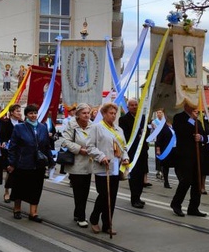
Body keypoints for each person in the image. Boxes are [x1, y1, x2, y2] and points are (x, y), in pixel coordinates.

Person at [86, 103, 130, 235]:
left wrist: (125, 157)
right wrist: (101, 156)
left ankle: (107, 224)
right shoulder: (96, 127)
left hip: (115, 167)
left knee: (112, 197)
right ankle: (94, 219)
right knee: (104, 195)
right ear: (104, 114)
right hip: (102, 167)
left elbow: (124, 147)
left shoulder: (119, 130)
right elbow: (90, 147)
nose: (113, 115)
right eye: (110, 113)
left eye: (115, 113)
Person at [7, 104, 54, 222]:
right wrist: (12, 163)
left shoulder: (43, 127)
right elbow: (13, 147)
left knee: (36, 188)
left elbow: (47, 146)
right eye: (31, 113)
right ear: (26, 115)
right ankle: (17, 209)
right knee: (19, 187)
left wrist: (51, 161)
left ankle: (33, 213)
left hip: (39, 164)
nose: (33, 115)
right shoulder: (19, 128)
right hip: (23, 163)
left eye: (35, 113)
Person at [57, 103, 93, 227]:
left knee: (86, 191)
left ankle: (78, 213)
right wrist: (79, 149)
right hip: (76, 163)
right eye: (84, 113)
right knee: (79, 191)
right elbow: (65, 141)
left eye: (88, 113)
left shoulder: (92, 126)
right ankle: (81, 217)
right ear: (77, 114)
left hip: (89, 164)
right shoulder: (71, 126)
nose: (87, 115)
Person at [170, 101, 206, 217]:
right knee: (186, 181)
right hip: (185, 155)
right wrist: (191, 119)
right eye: (192, 104)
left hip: (197, 155)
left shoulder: (198, 120)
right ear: (186, 105)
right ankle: (176, 204)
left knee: (197, 182)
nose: (194, 106)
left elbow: (205, 134)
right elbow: (181, 131)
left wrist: (200, 138)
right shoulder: (179, 117)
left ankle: (193, 207)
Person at [118, 98, 147, 209]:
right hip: (131, 151)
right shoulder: (123, 119)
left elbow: (147, 131)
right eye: (132, 105)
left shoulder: (142, 118)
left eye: (136, 105)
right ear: (128, 107)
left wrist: (143, 135)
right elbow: (124, 135)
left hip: (142, 151)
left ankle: (138, 196)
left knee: (141, 175)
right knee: (134, 176)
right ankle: (134, 199)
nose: (134, 107)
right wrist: (136, 137)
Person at [1, 104, 23, 203]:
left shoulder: (23, 123)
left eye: (20, 111)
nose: (19, 113)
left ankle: (16, 193)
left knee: (18, 173)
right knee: (10, 171)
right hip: (9, 151)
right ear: (11, 113)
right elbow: (2, 137)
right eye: (17, 111)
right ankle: (6, 191)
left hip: (21, 152)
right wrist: (5, 142)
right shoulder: (5, 123)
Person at [153, 111, 174, 189]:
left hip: (174, 148)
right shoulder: (162, 126)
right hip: (166, 148)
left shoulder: (173, 126)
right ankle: (166, 181)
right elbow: (159, 138)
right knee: (166, 166)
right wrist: (158, 149)